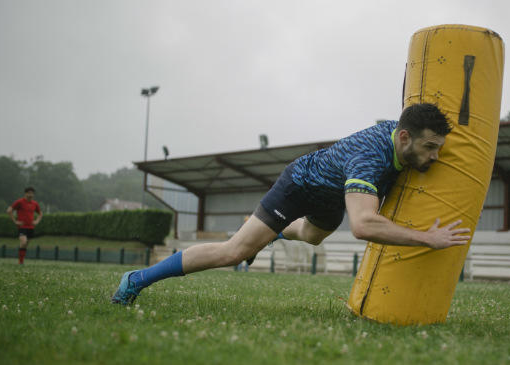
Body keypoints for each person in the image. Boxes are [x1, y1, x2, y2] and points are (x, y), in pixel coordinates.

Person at [112, 103, 472, 305]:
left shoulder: (405, 132)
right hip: (301, 184)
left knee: (313, 236)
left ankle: (273, 234)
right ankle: (136, 279)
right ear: (405, 138)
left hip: (333, 194)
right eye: (430, 148)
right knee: (234, 252)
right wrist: (428, 238)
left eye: (438, 147)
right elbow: (363, 225)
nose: (436, 156)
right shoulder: (369, 159)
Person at [7, 187, 43, 264]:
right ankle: (20, 262)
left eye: (32, 193)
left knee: (26, 244)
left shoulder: (35, 204)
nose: (30, 195)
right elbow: (9, 210)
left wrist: (36, 221)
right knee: (23, 242)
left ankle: (21, 261)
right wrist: (15, 221)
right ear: (25, 193)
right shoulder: (19, 202)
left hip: (31, 227)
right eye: (29, 193)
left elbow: (40, 214)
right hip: (22, 227)